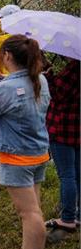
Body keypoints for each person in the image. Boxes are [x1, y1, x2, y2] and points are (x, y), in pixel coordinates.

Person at [0, 35, 53, 249]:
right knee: (32, 211)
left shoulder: (4, 89)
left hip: (17, 158)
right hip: (38, 154)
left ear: (7, 56)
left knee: (30, 213)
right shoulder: (41, 80)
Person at [44, 59, 79, 239]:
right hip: (77, 128)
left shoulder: (75, 67)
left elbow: (58, 94)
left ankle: (67, 218)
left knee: (67, 175)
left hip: (63, 129)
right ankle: (77, 214)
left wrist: (47, 73)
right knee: (77, 173)